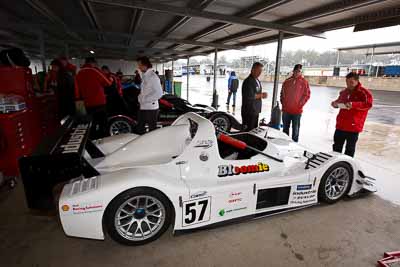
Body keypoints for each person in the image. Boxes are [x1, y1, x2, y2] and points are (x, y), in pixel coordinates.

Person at [331, 72, 373, 157]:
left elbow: (368, 105)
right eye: (347, 82)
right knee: (336, 148)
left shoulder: (364, 93)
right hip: (341, 125)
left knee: (349, 150)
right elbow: (339, 101)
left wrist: (353, 105)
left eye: (351, 82)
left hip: (353, 127)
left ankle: (347, 167)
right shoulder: (344, 92)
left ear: (357, 81)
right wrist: (335, 104)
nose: (349, 84)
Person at [75, 57, 112, 139]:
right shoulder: (95, 71)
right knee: (103, 124)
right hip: (99, 102)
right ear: (93, 63)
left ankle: (92, 140)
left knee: (90, 125)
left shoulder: (79, 73)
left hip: (86, 104)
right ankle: (104, 141)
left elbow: (76, 90)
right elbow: (108, 83)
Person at [280, 64, 311, 142]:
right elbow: (282, 94)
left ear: (301, 72)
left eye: (299, 71)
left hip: (297, 111)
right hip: (286, 110)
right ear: (293, 71)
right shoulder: (287, 81)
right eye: (296, 71)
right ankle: (284, 143)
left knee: (296, 130)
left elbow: (307, 95)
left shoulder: (304, 82)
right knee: (285, 129)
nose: (297, 72)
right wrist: (283, 103)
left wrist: (300, 105)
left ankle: (294, 145)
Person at [136, 56, 163, 134]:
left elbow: (159, 93)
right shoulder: (145, 75)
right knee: (140, 127)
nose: (139, 67)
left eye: (140, 65)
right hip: (144, 106)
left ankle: (152, 144)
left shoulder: (153, 76)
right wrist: (140, 97)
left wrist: (144, 99)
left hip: (151, 108)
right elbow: (145, 91)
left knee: (152, 130)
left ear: (145, 65)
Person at [241, 62, 267, 131]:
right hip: (249, 111)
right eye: (258, 71)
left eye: (261, 71)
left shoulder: (257, 80)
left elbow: (256, 93)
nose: (259, 73)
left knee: (254, 130)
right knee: (248, 131)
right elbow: (250, 96)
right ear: (252, 70)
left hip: (255, 111)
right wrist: (262, 95)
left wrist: (260, 95)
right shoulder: (248, 81)